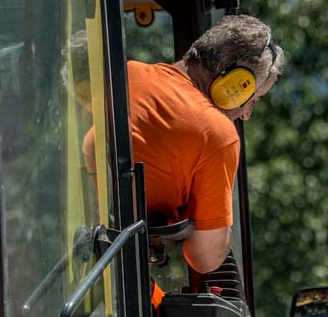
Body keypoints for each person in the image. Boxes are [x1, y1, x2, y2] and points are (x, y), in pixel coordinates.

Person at [84, 14, 285, 274]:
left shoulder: (126, 74)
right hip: (116, 275)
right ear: (234, 85)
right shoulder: (217, 134)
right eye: (253, 98)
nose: (247, 113)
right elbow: (204, 258)